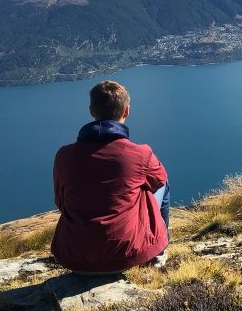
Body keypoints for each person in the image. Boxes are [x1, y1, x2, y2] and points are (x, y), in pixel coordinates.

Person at [51, 80, 170, 274]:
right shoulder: (140, 154)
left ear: (91, 111)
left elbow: (60, 201)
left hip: (75, 257)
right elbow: (158, 182)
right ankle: (158, 250)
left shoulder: (64, 155)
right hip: (127, 255)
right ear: (126, 111)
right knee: (161, 184)